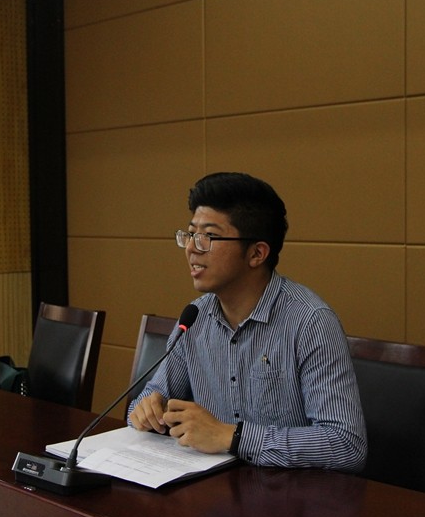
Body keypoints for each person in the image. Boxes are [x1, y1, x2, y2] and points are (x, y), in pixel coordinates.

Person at [128, 172, 367, 472]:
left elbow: (346, 445)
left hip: (287, 493)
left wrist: (233, 437)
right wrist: (147, 410)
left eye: (208, 237)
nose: (191, 248)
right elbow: (148, 400)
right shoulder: (194, 318)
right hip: (211, 486)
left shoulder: (311, 322)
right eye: (190, 234)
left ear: (256, 253)